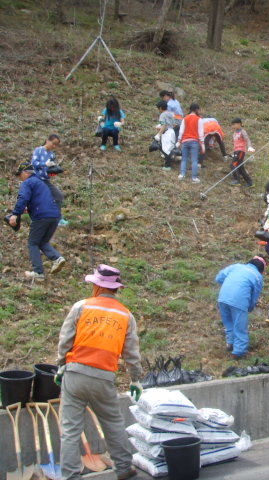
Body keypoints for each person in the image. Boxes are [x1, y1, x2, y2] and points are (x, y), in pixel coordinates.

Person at [55, 264, 143, 480]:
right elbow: (131, 353)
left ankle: (70, 476)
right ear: (115, 289)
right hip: (104, 377)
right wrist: (135, 379)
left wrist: (60, 365)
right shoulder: (125, 315)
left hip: (75, 374)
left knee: (70, 429)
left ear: (96, 286)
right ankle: (123, 468)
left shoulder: (81, 307)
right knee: (113, 422)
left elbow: (65, 340)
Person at [9, 162, 65, 280]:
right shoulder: (41, 183)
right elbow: (41, 199)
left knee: (32, 243)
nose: (20, 177)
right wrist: (28, 207)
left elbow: (23, 197)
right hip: (54, 216)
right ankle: (57, 258)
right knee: (43, 241)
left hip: (41, 216)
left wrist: (15, 214)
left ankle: (38, 273)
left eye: (20, 174)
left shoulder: (28, 182)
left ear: (26, 173)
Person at [215, 256, 266, 359]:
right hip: (239, 300)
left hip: (223, 298)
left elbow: (219, 278)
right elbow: (254, 297)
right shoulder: (257, 277)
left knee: (229, 323)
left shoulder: (236, 266)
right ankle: (238, 353)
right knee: (240, 327)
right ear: (261, 270)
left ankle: (231, 343)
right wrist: (250, 307)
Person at [30, 134, 68, 226]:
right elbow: (33, 163)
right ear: (47, 140)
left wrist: (55, 170)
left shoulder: (52, 154)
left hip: (45, 180)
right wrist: (44, 164)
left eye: (56, 145)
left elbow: (51, 168)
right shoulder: (38, 150)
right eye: (53, 143)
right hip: (36, 179)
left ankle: (57, 219)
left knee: (58, 196)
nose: (54, 146)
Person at [177, 103, 204, 183]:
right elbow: (201, 132)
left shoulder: (185, 118)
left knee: (184, 159)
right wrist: (202, 143)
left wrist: (179, 140)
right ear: (196, 110)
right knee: (194, 160)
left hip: (185, 141)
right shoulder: (199, 119)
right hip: (194, 142)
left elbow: (181, 131)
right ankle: (194, 178)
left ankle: (182, 174)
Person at [229, 118, 255, 187]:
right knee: (240, 167)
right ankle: (250, 182)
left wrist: (249, 146)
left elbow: (247, 139)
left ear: (239, 124)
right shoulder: (235, 132)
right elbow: (235, 143)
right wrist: (234, 152)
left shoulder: (243, 131)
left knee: (233, 164)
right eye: (232, 125)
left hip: (240, 151)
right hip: (236, 151)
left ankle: (237, 180)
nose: (233, 126)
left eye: (234, 124)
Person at [155, 100, 178, 171]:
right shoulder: (171, 114)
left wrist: (159, 134)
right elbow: (174, 124)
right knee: (169, 148)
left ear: (161, 108)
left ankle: (167, 166)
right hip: (172, 132)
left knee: (165, 149)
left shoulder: (162, 115)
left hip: (167, 133)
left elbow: (164, 125)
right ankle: (175, 156)